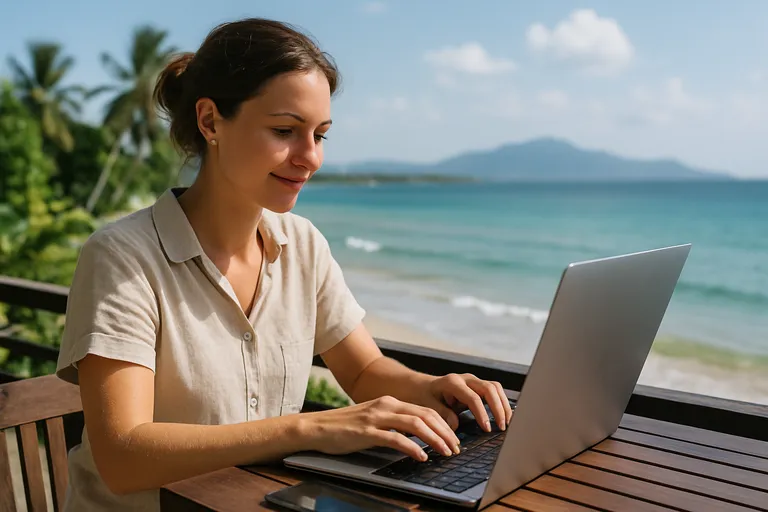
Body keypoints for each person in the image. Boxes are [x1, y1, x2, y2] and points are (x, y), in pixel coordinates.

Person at [55, 17, 512, 511]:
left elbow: (364, 370)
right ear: (210, 121)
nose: (310, 156)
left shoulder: (303, 245)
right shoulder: (123, 257)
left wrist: (432, 388)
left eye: (321, 134)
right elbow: (123, 458)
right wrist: (308, 428)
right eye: (285, 131)